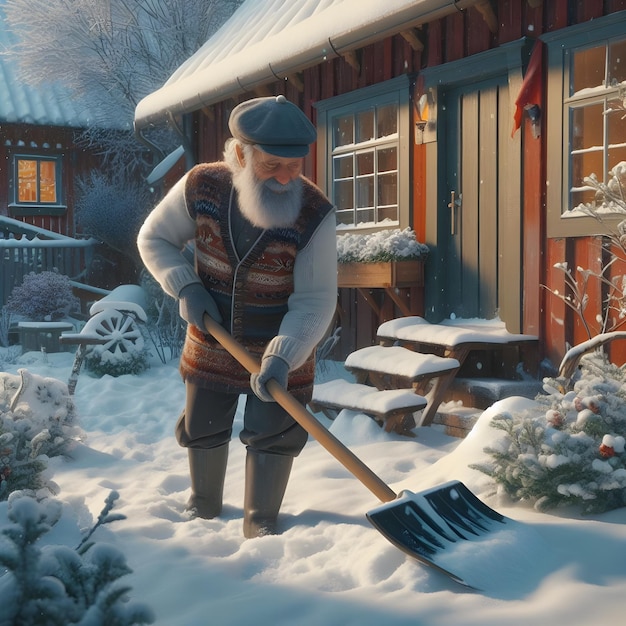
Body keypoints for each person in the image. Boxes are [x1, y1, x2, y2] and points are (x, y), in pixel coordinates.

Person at [137, 95, 337, 538]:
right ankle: (202, 506)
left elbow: (316, 300)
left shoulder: (314, 213)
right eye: (273, 165)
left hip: (284, 346)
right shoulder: (202, 187)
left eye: (295, 166)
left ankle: (260, 523)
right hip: (211, 339)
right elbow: (154, 239)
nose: (287, 178)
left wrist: (283, 357)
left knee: (273, 433)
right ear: (242, 154)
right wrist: (184, 284)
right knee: (203, 426)